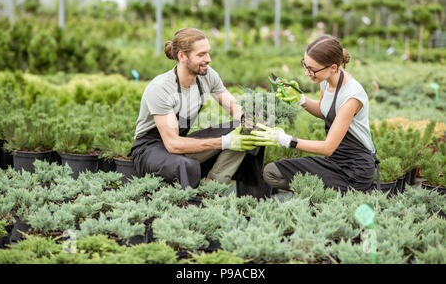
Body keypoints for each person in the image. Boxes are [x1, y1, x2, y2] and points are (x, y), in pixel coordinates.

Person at [129, 28, 270, 197]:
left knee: (249, 132)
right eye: (201, 54)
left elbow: (231, 104)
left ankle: (216, 188)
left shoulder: (207, 76)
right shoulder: (160, 88)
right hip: (150, 149)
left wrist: (246, 121)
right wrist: (225, 142)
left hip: (180, 142)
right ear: (182, 56)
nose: (208, 60)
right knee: (186, 166)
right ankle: (191, 206)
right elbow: (172, 144)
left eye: (208, 53)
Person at [252, 35, 380, 193]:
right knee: (271, 172)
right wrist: (301, 99)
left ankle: (338, 198)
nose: (307, 73)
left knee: (304, 185)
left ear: (333, 67)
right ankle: (325, 197)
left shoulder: (351, 97)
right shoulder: (327, 82)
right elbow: (324, 110)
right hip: (334, 161)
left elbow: (328, 147)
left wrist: (285, 140)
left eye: (312, 69)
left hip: (354, 170)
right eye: (305, 65)